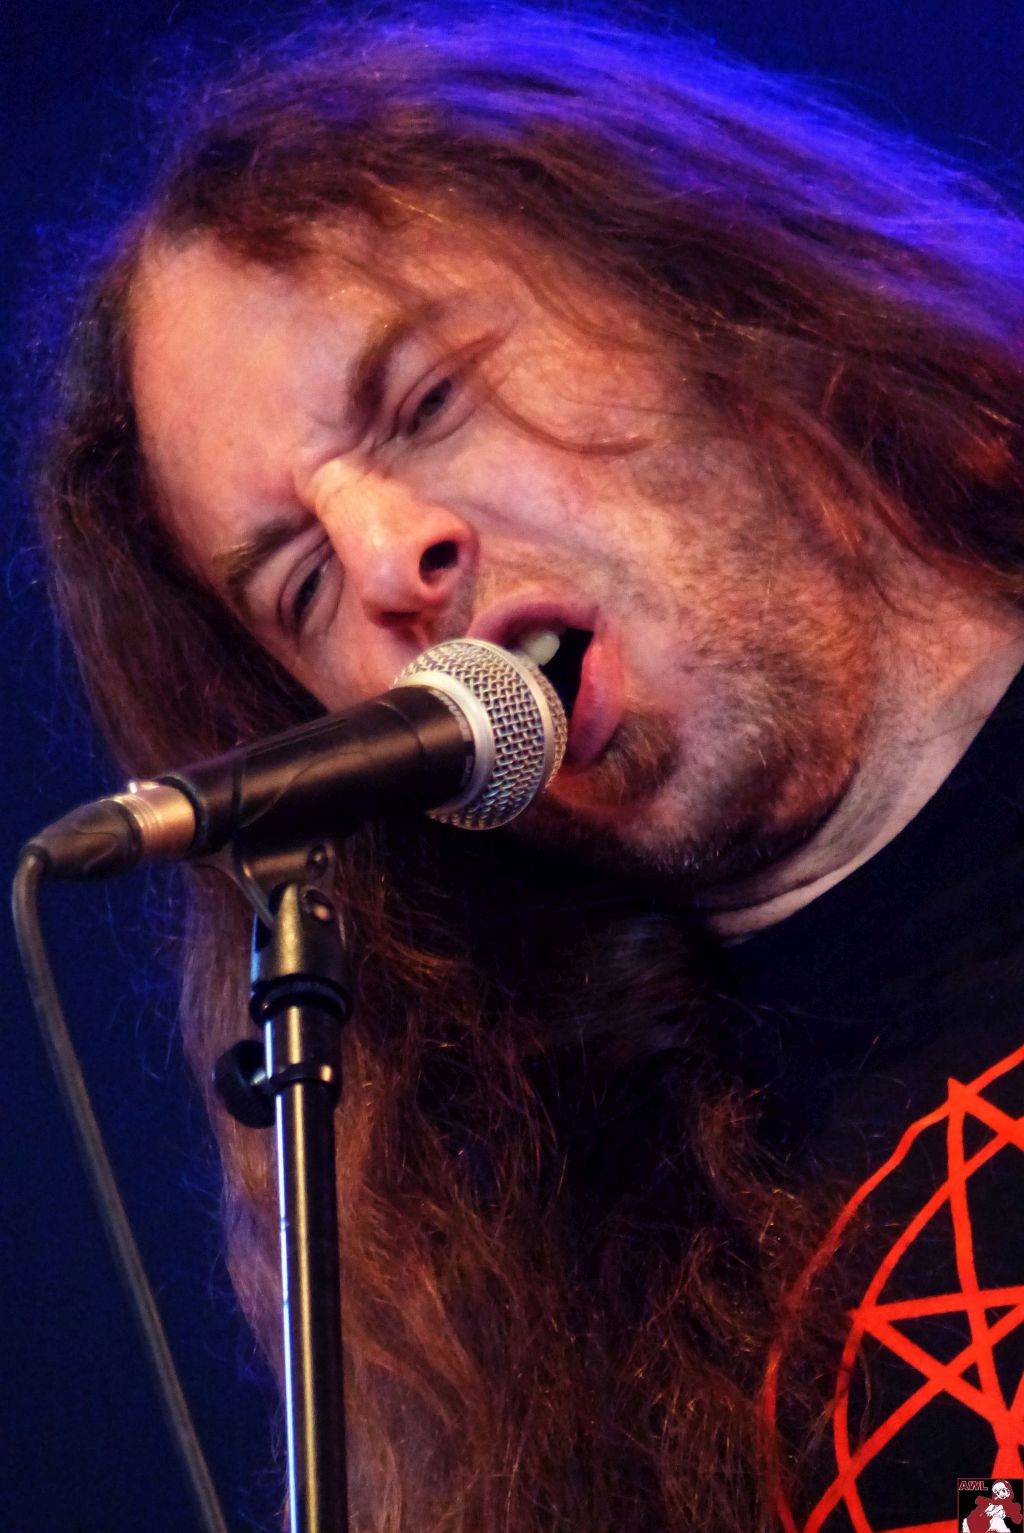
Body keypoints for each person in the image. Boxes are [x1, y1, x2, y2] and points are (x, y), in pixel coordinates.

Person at [31, 7, 1024, 1529]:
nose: (390, 561)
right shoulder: (557, 1262)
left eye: (428, 401)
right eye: (302, 583)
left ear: (713, 293)